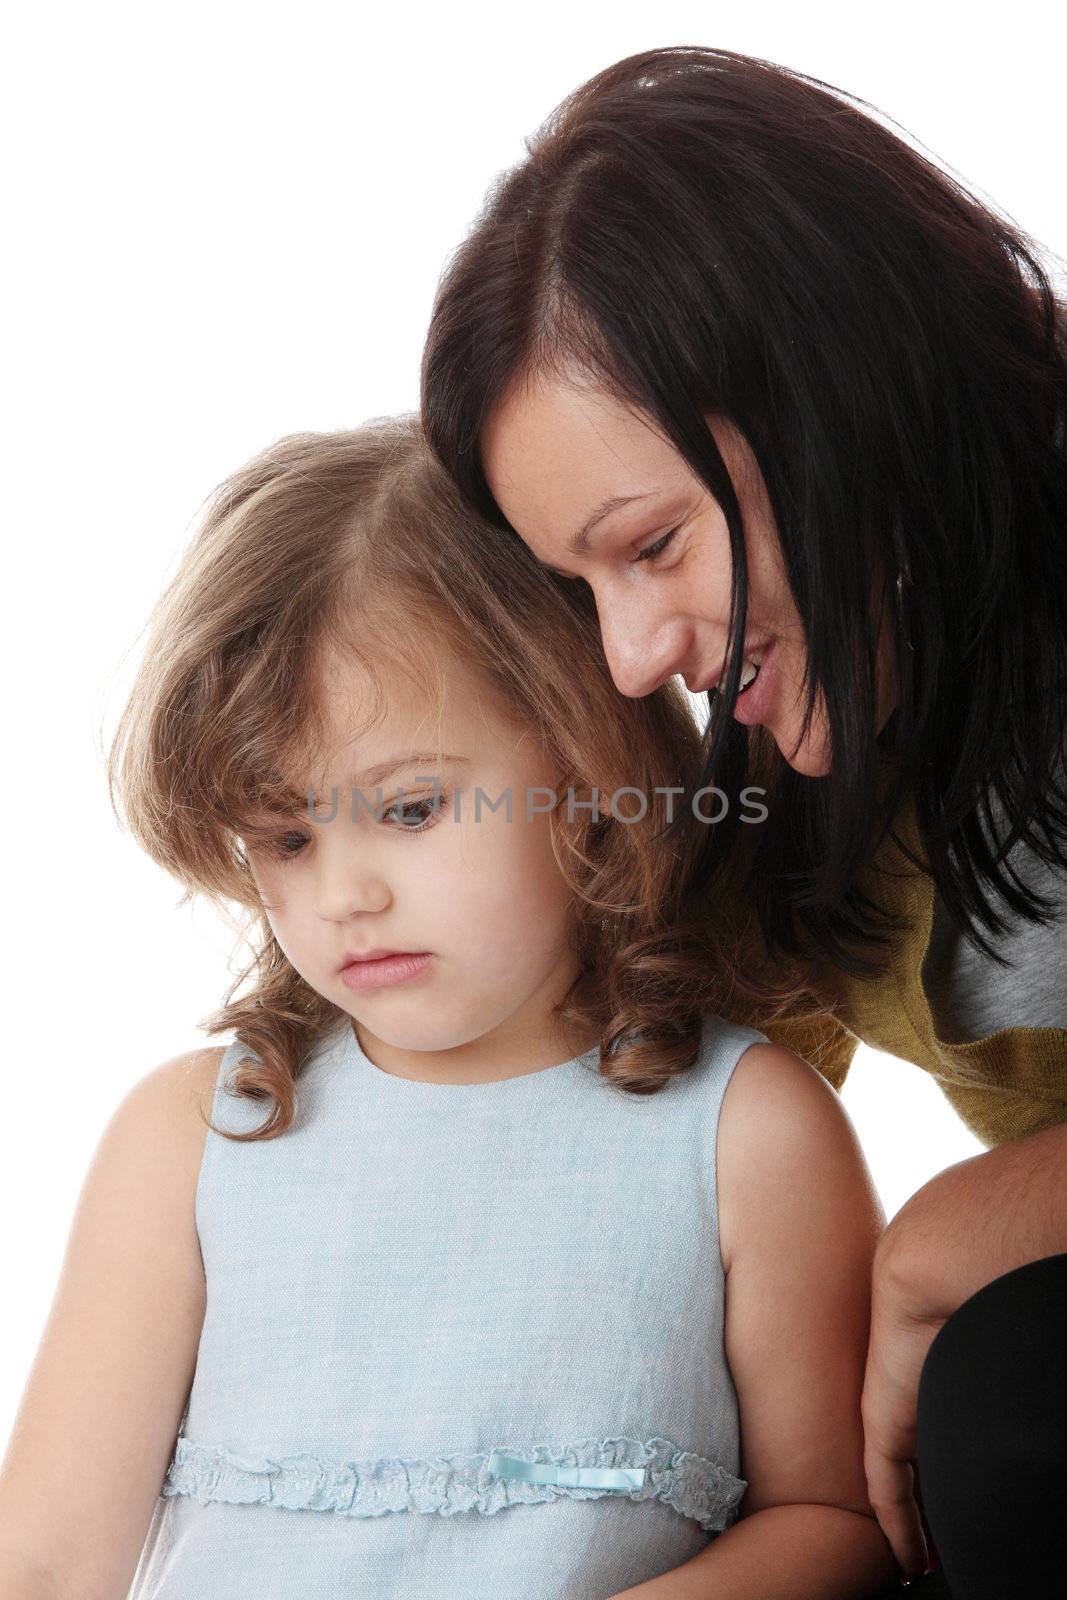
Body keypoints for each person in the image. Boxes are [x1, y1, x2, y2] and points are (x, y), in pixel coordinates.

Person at [0, 418, 905, 1599]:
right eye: (283, 834)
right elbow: (50, 1558)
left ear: (587, 768)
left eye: (413, 809)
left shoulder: (743, 1131)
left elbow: (835, 1518)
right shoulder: (196, 1137)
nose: (343, 893)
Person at [418, 45, 1067, 1599]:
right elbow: (634, 1181)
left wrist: (965, 1224)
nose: (636, 654)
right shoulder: (782, 797)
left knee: (1010, 1392)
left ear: (843, 391)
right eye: (582, 593)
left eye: (650, 547)